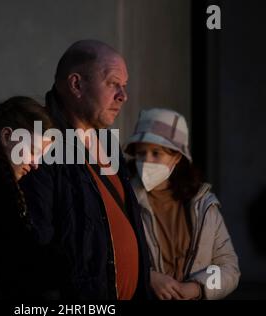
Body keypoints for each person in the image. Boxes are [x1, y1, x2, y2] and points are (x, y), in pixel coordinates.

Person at [19, 40, 152, 300]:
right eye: (113, 83)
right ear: (76, 85)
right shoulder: (40, 146)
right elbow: (36, 251)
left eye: (124, 86)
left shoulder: (109, 146)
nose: (123, 96)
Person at [124, 108, 240, 300]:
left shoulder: (203, 205)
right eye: (141, 153)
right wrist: (147, 277)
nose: (146, 161)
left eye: (156, 153)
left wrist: (196, 289)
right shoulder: (125, 201)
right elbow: (110, 259)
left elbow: (229, 268)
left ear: (177, 157)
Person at [0, 96, 54, 299]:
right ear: (6, 136)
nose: (35, 164)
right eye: (33, 151)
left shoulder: (5, 185)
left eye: (40, 157)